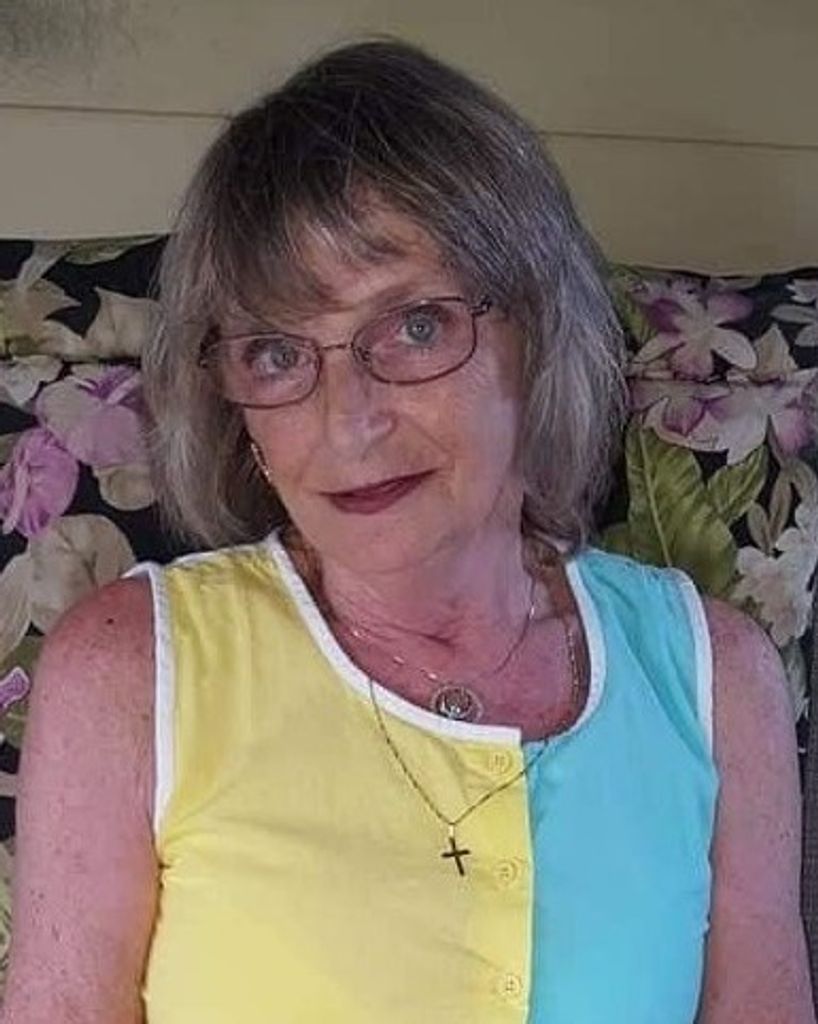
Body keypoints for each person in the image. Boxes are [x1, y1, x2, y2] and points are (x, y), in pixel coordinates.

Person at [1, 39, 813, 1024]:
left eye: (415, 326)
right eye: (275, 352)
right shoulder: (127, 672)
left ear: (536, 332)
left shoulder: (716, 678)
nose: (347, 422)